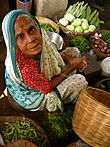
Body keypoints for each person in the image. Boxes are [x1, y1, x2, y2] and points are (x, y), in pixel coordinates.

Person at [2, 10, 88, 112]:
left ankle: (66, 75)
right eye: (20, 36)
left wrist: (71, 60)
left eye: (31, 30)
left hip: (43, 77)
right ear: (13, 43)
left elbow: (52, 52)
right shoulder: (25, 69)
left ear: (37, 27)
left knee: (74, 52)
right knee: (80, 80)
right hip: (38, 94)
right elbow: (47, 87)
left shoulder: (42, 35)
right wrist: (72, 67)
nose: (30, 39)